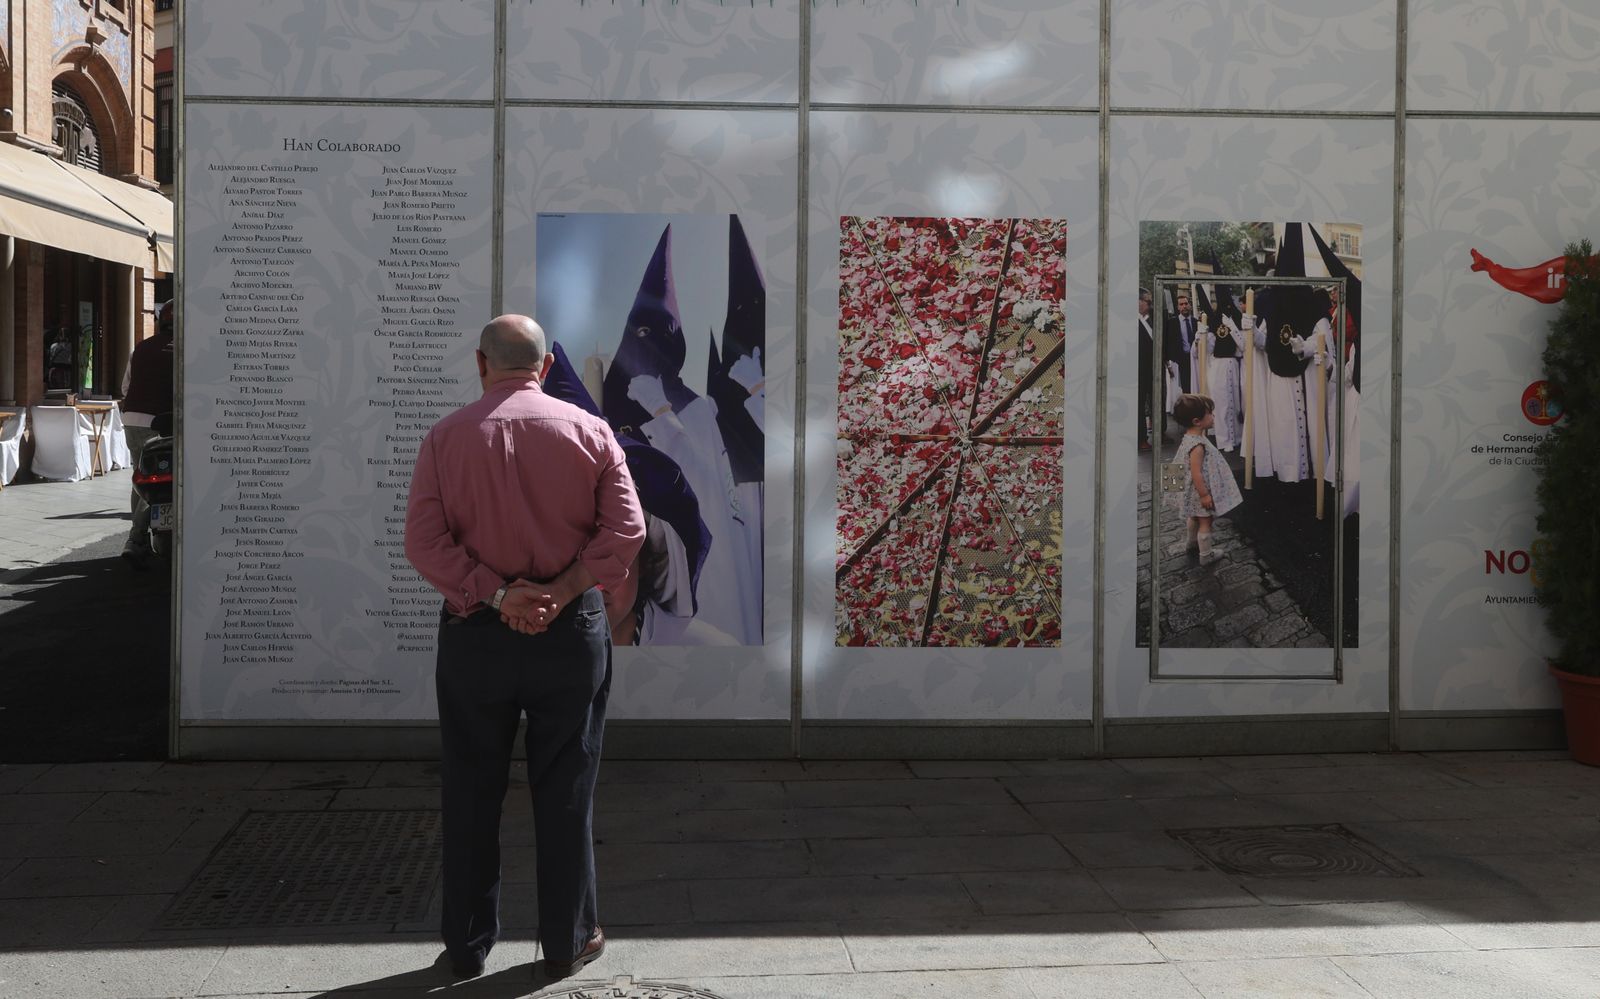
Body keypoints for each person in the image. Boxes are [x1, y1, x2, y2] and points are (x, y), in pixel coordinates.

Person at [404, 315, 645, 982]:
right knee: (567, 786)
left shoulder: (445, 437)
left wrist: (498, 594)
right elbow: (628, 531)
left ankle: (467, 943)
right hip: (570, 638)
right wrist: (564, 589)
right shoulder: (591, 432)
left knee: (470, 787)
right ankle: (568, 939)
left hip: (476, 638)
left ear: (481, 363)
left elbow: (424, 544)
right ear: (543, 368)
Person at [120, 301, 175, 563]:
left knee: (143, 476)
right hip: (167, 421)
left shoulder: (141, 347)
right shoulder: (187, 347)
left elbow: (125, 387)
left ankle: (137, 537)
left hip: (134, 419)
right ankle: (141, 533)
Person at [1171, 393, 1242, 561]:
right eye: (1210, 413)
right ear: (1197, 421)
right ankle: (1206, 554)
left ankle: (1192, 543)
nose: (1213, 416)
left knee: (1193, 516)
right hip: (1199, 491)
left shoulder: (1189, 438)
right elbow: (1196, 472)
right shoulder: (1198, 446)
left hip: (1191, 490)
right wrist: (1204, 494)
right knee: (1206, 521)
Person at [1136, 288, 1155, 449]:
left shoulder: (1149, 320)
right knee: (1139, 404)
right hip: (1138, 370)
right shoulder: (1133, 322)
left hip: (1150, 369)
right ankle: (1140, 438)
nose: (1149, 305)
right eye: (1147, 302)